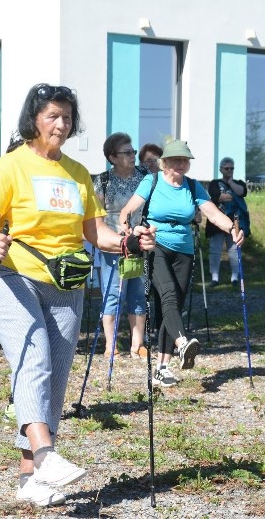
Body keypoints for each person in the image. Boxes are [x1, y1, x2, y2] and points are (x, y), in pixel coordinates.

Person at [0, 83, 155, 507]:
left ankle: (29, 478)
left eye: (67, 117)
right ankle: (46, 453)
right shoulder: (11, 166)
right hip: (13, 276)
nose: (61, 123)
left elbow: (95, 232)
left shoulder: (75, 173)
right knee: (32, 355)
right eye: (53, 115)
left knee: (53, 375)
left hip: (66, 283)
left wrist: (128, 242)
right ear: (34, 120)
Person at [120, 138, 244, 387]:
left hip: (184, 250)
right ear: (164, 163)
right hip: (156, 245)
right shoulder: (152, 181)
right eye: (175, 159)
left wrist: (232, 228)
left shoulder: (193, 186)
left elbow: (212, 212)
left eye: (184, 160)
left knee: (174, 303)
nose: (180, 164)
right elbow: (127, 211)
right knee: (167, 296)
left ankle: (162, 368)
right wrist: (128, 231)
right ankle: (182, 342)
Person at [93, 132, 148, 359]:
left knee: (138, 292)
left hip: (141, 243)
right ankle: (111, 344)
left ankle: (138, 344)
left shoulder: (145, 176)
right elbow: (95, 214)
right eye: (127, 153)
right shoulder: (102, 180)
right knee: (113, 292)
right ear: (112, 157)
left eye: (133, 151)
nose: (133, 156)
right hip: (113, 244)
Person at [206, 156, 249, 288]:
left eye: (232, 168)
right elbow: (219, 197)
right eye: (226, 168)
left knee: (234, 250)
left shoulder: (239, 182)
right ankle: (215, 278)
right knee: (215, 250)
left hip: (234, 223)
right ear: (221, 169)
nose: (229, 170)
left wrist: (231, 184)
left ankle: (235, 277)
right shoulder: (214, 183)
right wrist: (233, 196)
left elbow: (242, 192)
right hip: (217, 223)